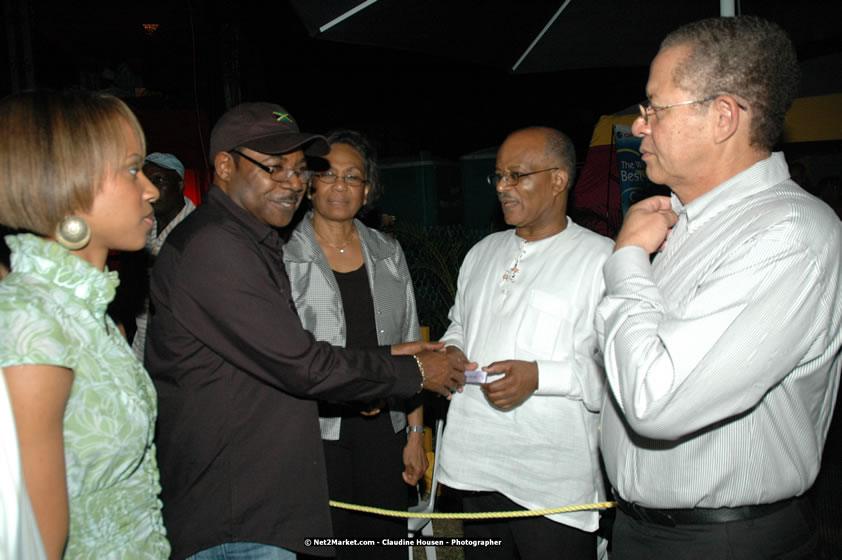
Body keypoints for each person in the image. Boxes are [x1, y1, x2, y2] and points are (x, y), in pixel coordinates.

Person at [144, 102, 466, 560]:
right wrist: (413, 369)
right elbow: (302, 364)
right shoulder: (219, 246)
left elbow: (285, 355)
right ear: (223, 165)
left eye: (298, 170)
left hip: (264, 491)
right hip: (236, 506)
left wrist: (400, 372)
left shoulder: (250, 239)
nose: (292, 182)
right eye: (275, 168)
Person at [595, 16, 842, 560]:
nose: (639, 127)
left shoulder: (787, 235)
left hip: (725, 540)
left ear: (723, 116)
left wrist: (628, 257)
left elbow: (655, 400)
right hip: (645, 529)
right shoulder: (679, 222)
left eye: (655, 108)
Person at [0, 89, 170, 558]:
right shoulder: (27, 321)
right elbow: (30, 546)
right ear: (66, 181)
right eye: (133, 169)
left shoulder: (89, 314)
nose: (151, 189)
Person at [437, 127, 613, 560]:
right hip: (475, 464)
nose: (502, 187)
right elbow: (459, 323)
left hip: (552, 480)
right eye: (498, 176)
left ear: (558, 179)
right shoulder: (482, 252)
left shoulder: (602, 259)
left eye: (516, 175)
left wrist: (539, 376)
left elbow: (618, 372)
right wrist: (452, 350)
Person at [284, 130, 427, 558]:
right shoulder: (283, 254)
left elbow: (411, 344)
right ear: (310, 184)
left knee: (382, 547)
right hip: (313, 431)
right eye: (328, 174)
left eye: (353, 176)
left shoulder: (388, 251)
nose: (340, 185)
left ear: (367, 190)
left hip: (385, 428)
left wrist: (416, 432)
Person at [131, 152, 196, 360]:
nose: (149, 190)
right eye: (145, 182)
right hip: (145, 348)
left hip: (182, 358)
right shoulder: (145, 230)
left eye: (159, 180)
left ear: (180, 185)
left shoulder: (199, 232)